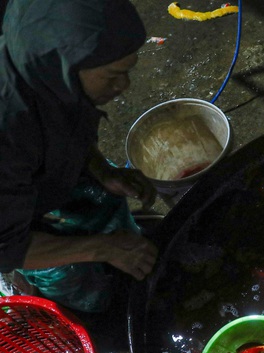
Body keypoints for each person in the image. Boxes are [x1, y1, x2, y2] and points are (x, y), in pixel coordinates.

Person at [0, 0, 158, 312]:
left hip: (46, 178)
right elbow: (5, 247)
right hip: (13, 227)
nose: (124, 85)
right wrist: (106, 248)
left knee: (105, 201)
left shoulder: (50, 69)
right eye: (113, 74)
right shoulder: (8, 129)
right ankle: (93, 312)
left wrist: (104, 172)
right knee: (75, 284)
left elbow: (69, 127)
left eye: (128, 70)